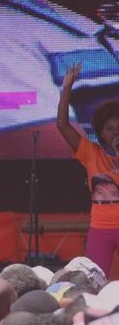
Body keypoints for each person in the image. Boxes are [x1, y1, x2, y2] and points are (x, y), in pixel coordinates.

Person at [57, 63, 119, 275]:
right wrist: (67, 88)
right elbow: (62, 125)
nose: (114, 133)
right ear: (101, 132)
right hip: (100, 229)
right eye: (110, 129)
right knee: (93, 280)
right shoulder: (91, 152)